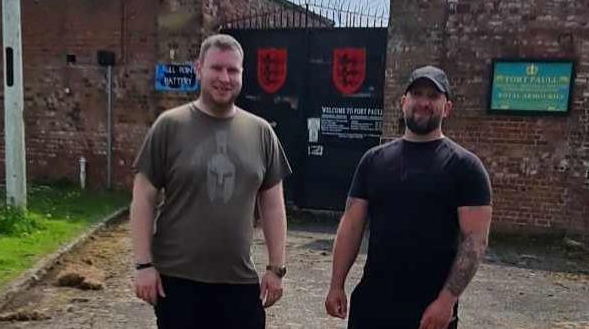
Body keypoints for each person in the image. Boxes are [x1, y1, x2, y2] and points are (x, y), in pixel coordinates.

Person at [130, 33, 292, 329]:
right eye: (216, 68)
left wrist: (276, 268)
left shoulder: (261, 133)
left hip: (239, 280)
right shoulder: (170, 126)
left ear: (243, 74)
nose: (224, 77)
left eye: (233, 70)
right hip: (178, 282)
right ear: (199, 69)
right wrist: (143, 265)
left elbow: (272, 206)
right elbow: (143, 197)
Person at [325, 65, 492, 329]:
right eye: (417, 94)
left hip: (429, 312)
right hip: (372, 306)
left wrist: (447, 301)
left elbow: (475, 242)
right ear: (404, 102)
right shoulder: (373, 161)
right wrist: (336, 284)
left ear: (447, 107)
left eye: (433, 96)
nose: (423, 102)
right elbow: (351, 225)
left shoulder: (465, 167)